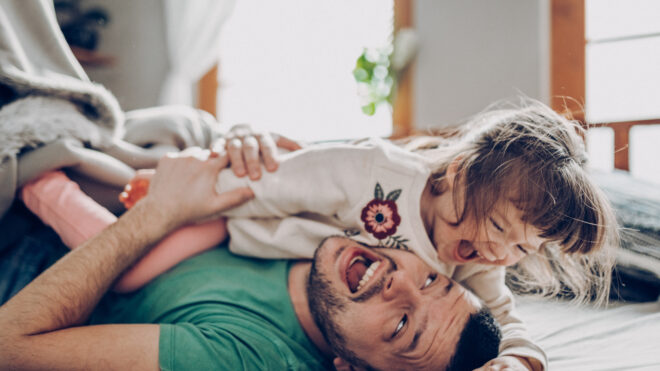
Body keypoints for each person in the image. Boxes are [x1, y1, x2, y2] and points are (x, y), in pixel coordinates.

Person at [20, 100, 620, 370]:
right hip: (234, 216)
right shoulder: (374, 176)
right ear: (459, 176)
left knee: (128, 271)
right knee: (133, 237)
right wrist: (182, 192)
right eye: (497, 230)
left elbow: (504, 316)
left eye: (522, 250)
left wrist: (519, 361)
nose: (498, 254)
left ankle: (54, 193)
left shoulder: (471, 261)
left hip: (245, 242)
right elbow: (280, 180)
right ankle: (55, 185)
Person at [0, 151, 502, 370]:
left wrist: (160, 213)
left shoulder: (246, 357)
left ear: (352, 369)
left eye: (399, 327)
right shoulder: (375, 225)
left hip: (26, 268)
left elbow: (9, 346)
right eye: (433, 280)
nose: (402, 283)